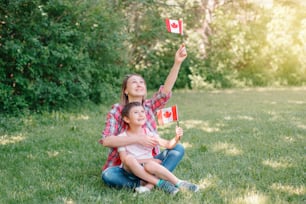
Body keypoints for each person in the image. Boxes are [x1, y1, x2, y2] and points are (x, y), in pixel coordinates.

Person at [100, 44, 188, 189]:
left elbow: (165, 92)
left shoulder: (148, 107)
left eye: (142, 82)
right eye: (134, 82)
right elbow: (106, 141)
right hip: (126, 166)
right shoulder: (117, 110)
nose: (139, 84)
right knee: (108, 175)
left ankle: (148, 184)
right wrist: (138, 138)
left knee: (178, 149)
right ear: (126, 90)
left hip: (151, 163)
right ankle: (152, 181)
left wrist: (177, 63)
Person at [118, 102, 199, 194]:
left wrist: (177, 137)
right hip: (132, 169)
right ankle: (159, 183)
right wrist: (149, 160)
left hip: (149, 167)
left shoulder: (148, 133)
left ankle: (178, 183)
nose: (140, 114)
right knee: (129, 159)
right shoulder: (122, 137)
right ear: (126, 119)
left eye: (142, 111)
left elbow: (168, 145)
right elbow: (124, 160)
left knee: (174, 150)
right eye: (136, 112)